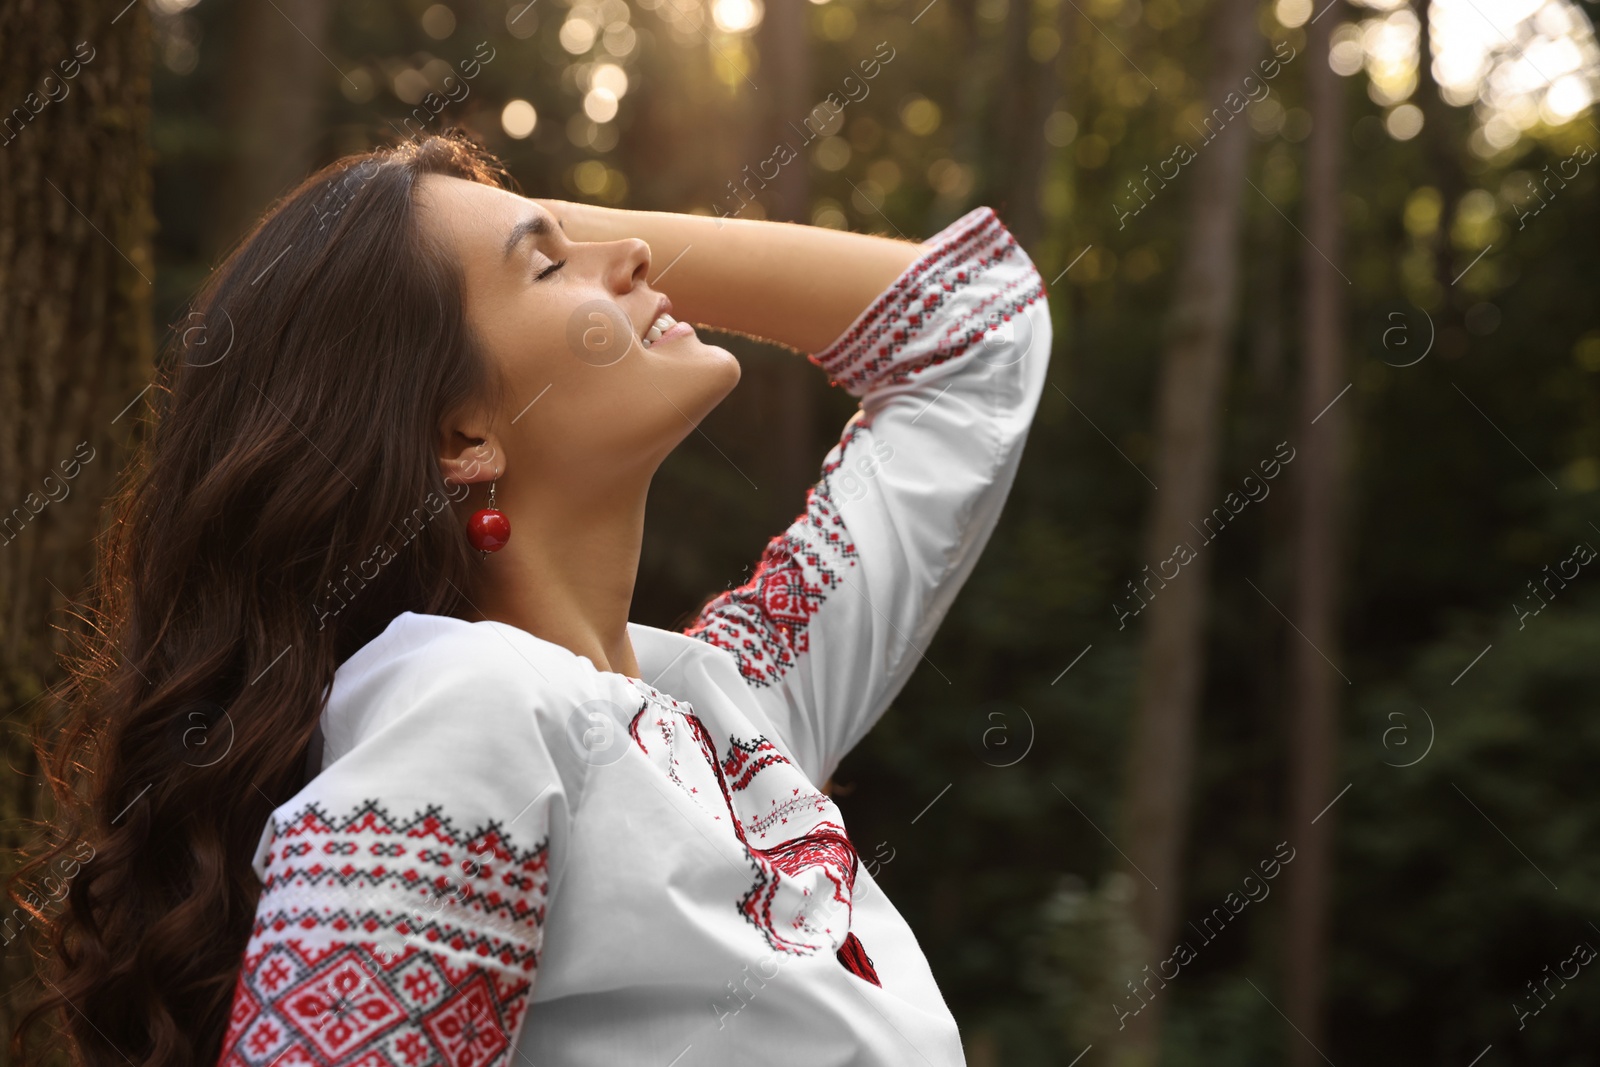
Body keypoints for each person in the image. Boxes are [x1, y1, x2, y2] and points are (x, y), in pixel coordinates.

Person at [13, 131, 1049, 1067]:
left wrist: (504, 223)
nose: (636, 256)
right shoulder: (464, 714)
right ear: (463, 437)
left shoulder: (722, 710)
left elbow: (973, 329)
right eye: (550, 266)